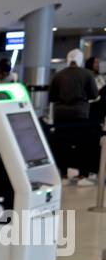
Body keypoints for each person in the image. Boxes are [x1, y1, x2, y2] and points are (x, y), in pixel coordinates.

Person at [49, 50, 100, 183]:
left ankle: (63, 173)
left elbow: (52, 97)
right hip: (80, 114)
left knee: (62, 145)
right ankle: (82, 174)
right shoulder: (87, 74)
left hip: (60, 115)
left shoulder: (58, 75)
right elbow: (94, 95)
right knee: (82, 145)